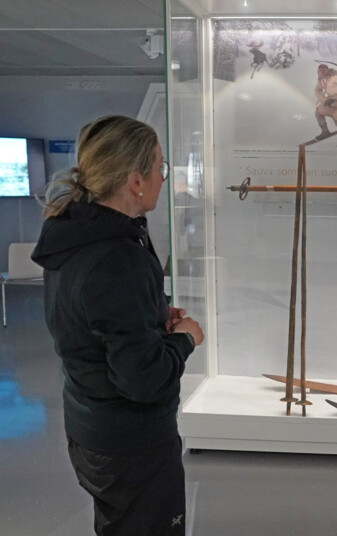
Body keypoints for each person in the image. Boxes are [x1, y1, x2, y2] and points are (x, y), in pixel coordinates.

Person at [31, 115, 204, 536]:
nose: (163, 178)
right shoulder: (117, 257)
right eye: (160, 168)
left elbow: (90, 323)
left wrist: (153, 317)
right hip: (132, 443)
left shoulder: (74, 236)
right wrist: (185, 338)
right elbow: (144, 380)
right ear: (136, 181)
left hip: (92, 428)